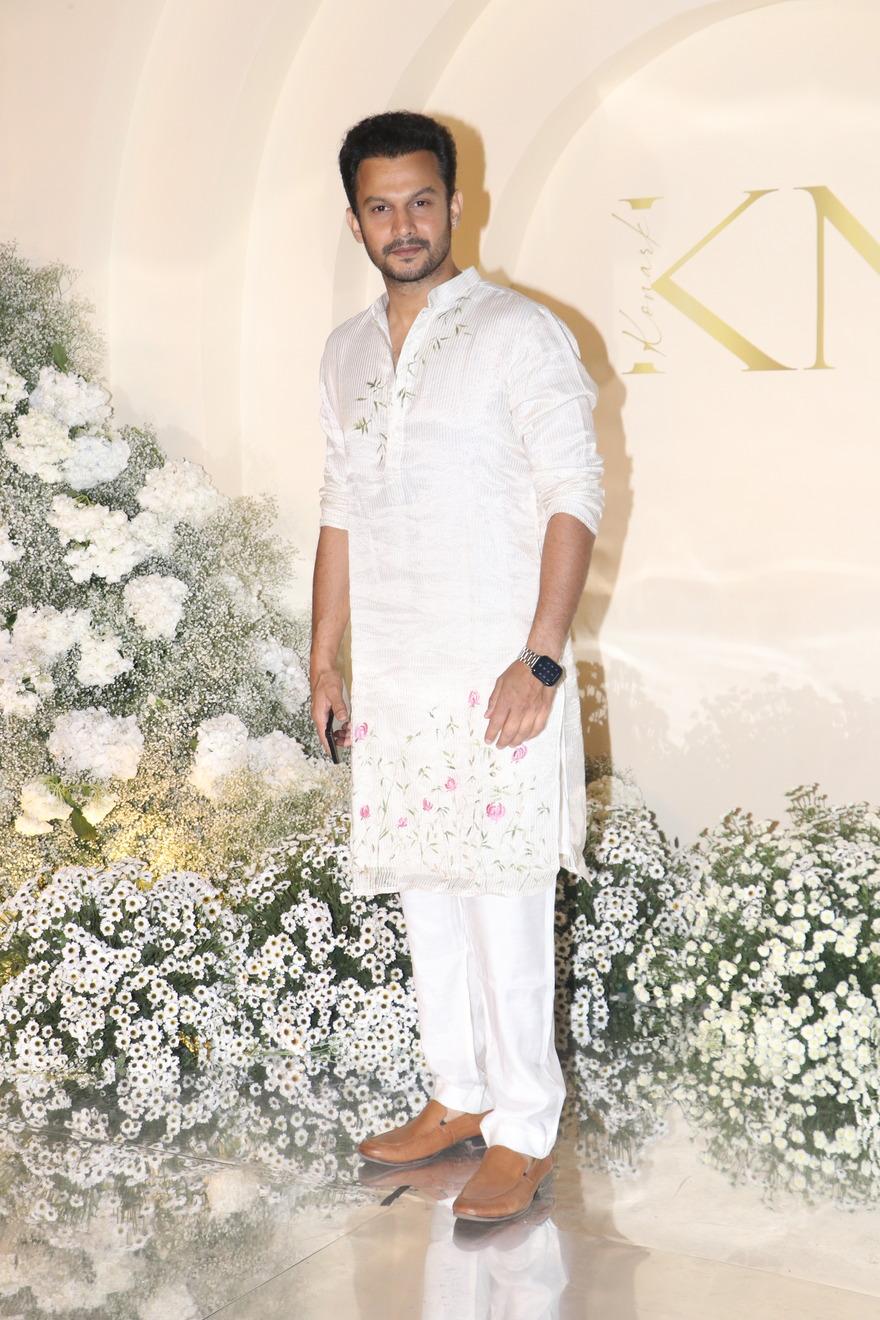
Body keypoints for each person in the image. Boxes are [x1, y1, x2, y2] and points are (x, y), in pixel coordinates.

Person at [310, 110, 603, 1224]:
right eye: (380, 207)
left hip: (498, 677)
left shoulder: (518, 331)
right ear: (354, 220)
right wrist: (325, 661)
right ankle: (458, 1092)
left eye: (421, 202)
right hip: (397, 679)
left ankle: (523, 1127)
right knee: (427, 894)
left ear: (455, 205)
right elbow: (339, 507)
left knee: (505, 899)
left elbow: (574, 492)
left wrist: (539, 658)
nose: (404, 225)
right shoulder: (344, 352)